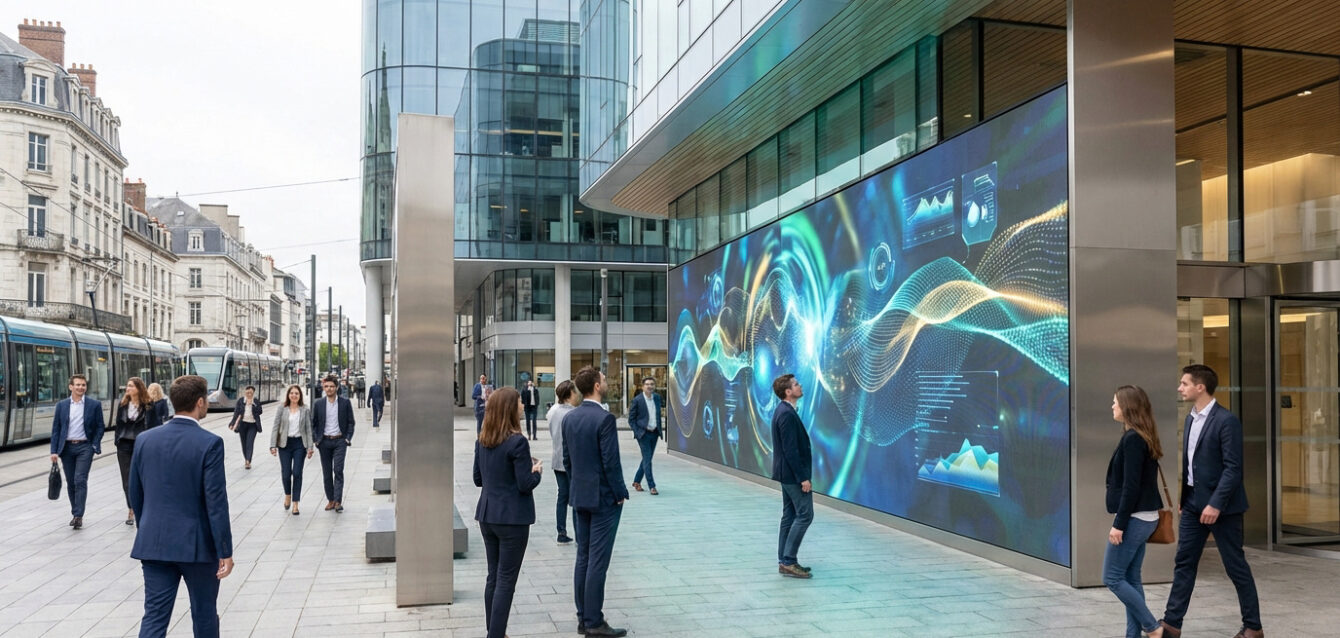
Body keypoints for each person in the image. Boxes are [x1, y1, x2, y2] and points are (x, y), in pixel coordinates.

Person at [1159, 365, 1262, 638]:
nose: (1180, 388)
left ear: (1200, 387)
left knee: (1235, 565)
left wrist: (1215, 504)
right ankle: (1171, 624)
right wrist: (1185, 498)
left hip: (1224, 508)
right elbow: (1190, 464)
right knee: (1184, 562)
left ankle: (1253, 627)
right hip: (1193, 504)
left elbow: (1233, 468)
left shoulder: (1226, 420)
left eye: (1184, 383)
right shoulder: (1191, 419)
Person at [129, 375, 233, 638]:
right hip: (197, 548)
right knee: (204, 613)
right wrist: (225, 550)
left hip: (154, 543)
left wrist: (148, 528)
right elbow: (216, 502)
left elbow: (135, 493)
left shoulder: (145, 440)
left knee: (154, 616)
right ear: (200, 402)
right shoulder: (209, 443)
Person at [561, 367, 628, 637]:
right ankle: (593, 621)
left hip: (580, 495)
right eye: (604, 378)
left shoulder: (570, 418)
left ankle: (583, 616)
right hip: (603, 499)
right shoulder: (605, 419)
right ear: (597, 387)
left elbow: (567, 460)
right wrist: (619, 492)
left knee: (583, 557)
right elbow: (611, 462)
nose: (606, 380)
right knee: (598, 561)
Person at [473, 386, 543, 638]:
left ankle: (494, 631)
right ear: (510, 409)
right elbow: (525, 484)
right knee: (505, 579)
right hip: (512, 519)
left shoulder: (482, 440)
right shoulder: (517, 442)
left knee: (494, 575)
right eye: (520, 403)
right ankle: (496, 635)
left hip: (487, 515)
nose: (523, 406)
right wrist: (536, 473)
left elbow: (477, 479)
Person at [1104, 386, 1166, 638]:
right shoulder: (1142, 435)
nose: (1112, 406)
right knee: (1131, 577)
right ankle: (1134, 635)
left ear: (1127, 407)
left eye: (1115, 402)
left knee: (1112, 577)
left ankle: (1153, 628)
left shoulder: (1133, 440)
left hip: (1135, 518)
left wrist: (1118, 524)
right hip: (1146, 517)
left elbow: (1131, 487)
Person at [49, 374, 105, 530]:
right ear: (71, 387)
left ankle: (78, 515)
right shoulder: (62, 405)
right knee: (71, 482)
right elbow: (56, 429)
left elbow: (100, 426)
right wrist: (54, 451)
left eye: (83, 385)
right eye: (78, 385)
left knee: (80, 479)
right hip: (66, 448)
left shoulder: (94, 405)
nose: (81, 387)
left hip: (85, 447)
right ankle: (75, 512)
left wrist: (94, 445)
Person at [771, 373, 813, 579]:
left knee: (789, 516)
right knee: (805, 515)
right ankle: (788, 560)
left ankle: (784, 560)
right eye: (796, 384)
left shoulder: (785, 410)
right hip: (792, 475)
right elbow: (790, 450)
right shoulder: (786, 414)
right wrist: (803, 477)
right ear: (788, 392)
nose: (800, 386)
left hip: (786, 474)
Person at [115, 377, 161, 526]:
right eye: (127, 386)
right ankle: (131, 508)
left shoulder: (149, 406)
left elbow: (155, 426)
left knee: (143, 477)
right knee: (127, 481)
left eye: (131, 386)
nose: (127, 389)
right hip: (124, 446)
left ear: (139, 389)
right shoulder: (122, 405)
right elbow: (118, 426)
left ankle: (144, 506)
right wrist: (117, 441)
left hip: (142, 445)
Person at [312, 375, 356, 513]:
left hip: (340, 441)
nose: (329, 389)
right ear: (324, 388)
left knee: (338, 470)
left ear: (337, 387)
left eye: (332, 386)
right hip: (324, 441)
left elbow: (351, 422)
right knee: (326, 473)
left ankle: (337, 501)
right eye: (326, 386)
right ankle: (330, 500)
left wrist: (347, 438)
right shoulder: (318, 404)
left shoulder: (345, 402)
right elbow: (313, 423)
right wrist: (316, 440)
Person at [270, 385, 314, 515]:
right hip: (285, 444)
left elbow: (308, 430)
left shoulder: (305, 410)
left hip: (299, 444)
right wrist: (273, 445)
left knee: (297, 473)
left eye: (296, 393)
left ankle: (296, 503)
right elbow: (275, 427)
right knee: (285, 473)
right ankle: (287, 495)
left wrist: (310, 447)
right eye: (292, 393)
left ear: (300, 396)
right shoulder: (282, 409)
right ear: (288, 395)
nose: (294, 395)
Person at [547, 380, 580, 544]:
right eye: (575, 392)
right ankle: (579, 533)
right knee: (575, 497)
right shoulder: (573, 413)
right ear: (570, 394)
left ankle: (561, 530)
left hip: (557, 458)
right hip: (572, 461)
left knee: (562, 496)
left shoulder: (552, 411)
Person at [627, 377, 664, 496]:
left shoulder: (657, 398)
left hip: (655, 433)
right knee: (648, 459)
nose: (650, 386)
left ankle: (637, 481)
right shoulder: (637, 400)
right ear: (643, 386)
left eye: (652, 384)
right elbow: (631, 419)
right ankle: (652, 486)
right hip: (643, 434)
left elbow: (658, 414)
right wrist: (637, 433)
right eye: (647, 384)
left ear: (654, 386)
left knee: (646, 459)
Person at [227, 386, 263, 470]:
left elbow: (260, 411)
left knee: (249, 443)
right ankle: (246, 458)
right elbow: (236, 413)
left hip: (253, 425)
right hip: (242, 425)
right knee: (244, 444)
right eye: (247, 393)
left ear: (253, 393)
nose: (249, 394)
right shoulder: (240, 401)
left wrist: (253, 405)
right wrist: (232, 423)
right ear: (245, 392)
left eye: (251, 393)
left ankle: (248, 461)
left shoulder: (256, 401)